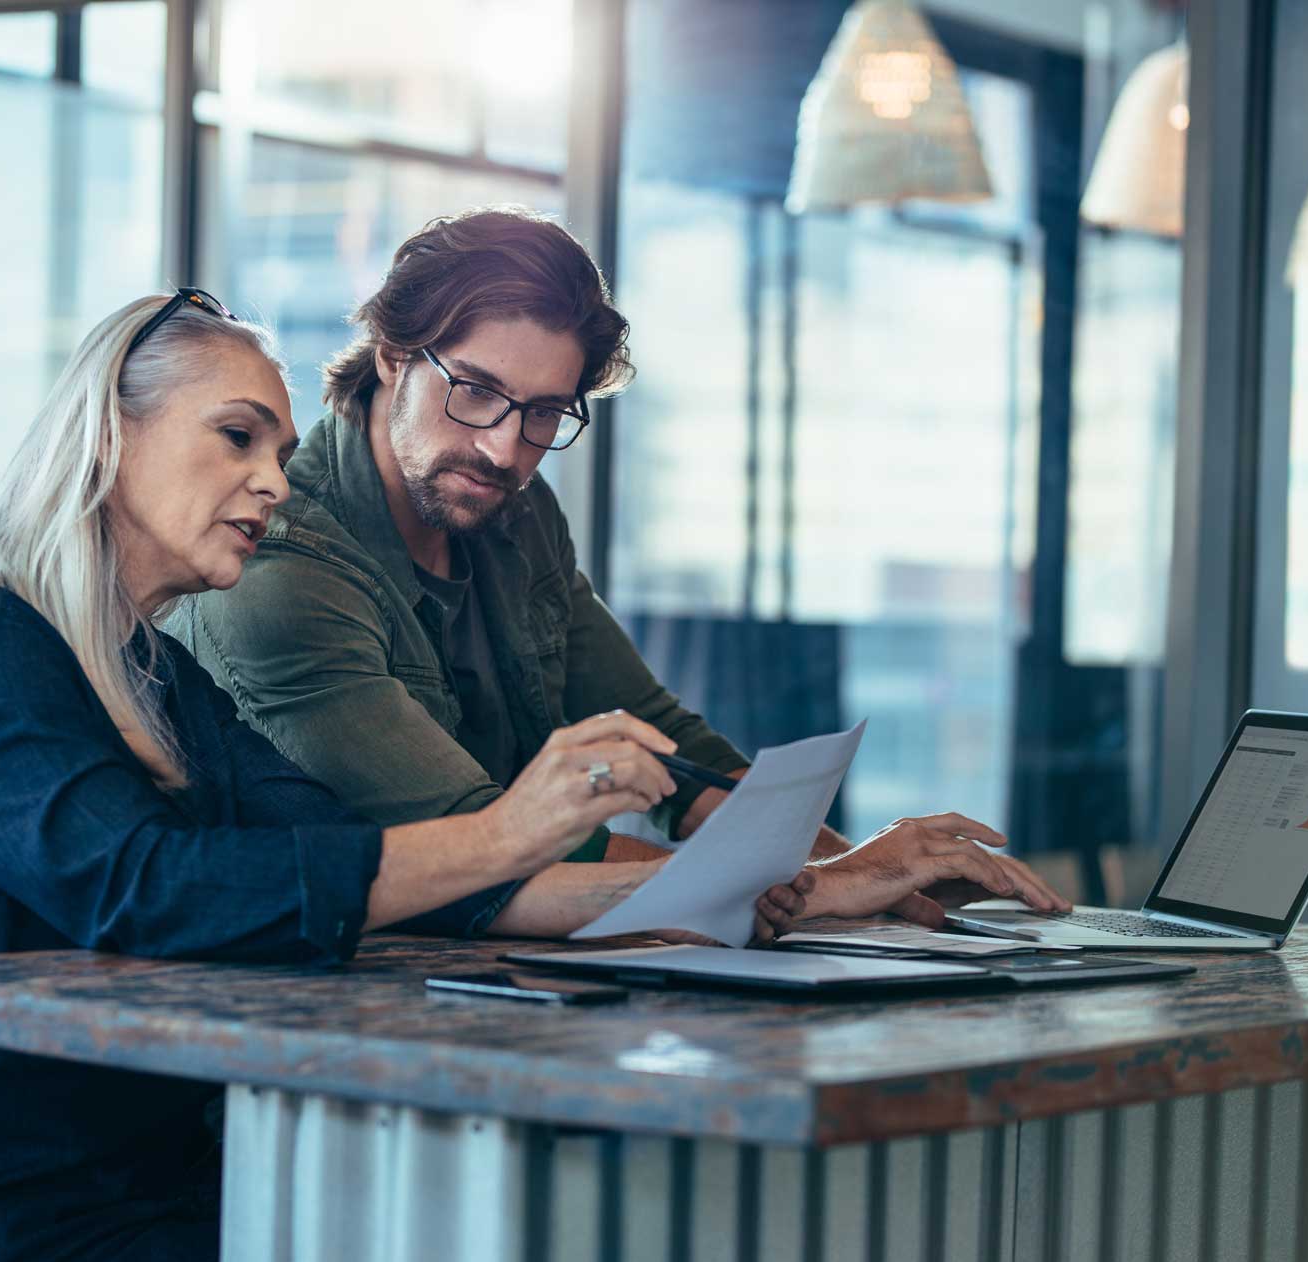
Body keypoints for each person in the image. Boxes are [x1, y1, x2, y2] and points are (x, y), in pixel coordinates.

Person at [0, 289, 806, 1262]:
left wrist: (710, 891)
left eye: (280, 456)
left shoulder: (160, 675)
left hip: (179, 1189)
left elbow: (360, 859)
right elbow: (145, 886)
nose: (273, 485)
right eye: (237, 437)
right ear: (109, 432)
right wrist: (511, 829)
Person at [172, 207, 1068, 936]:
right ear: (393, 357)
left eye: (544, 414)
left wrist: (875, 888)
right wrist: (833, 883)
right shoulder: (277, 563)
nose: (503, 447)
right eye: (476, 391)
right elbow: (481, 839)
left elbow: (665, 748)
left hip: (501, 979)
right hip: (312, 1004)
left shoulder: (512, 511)